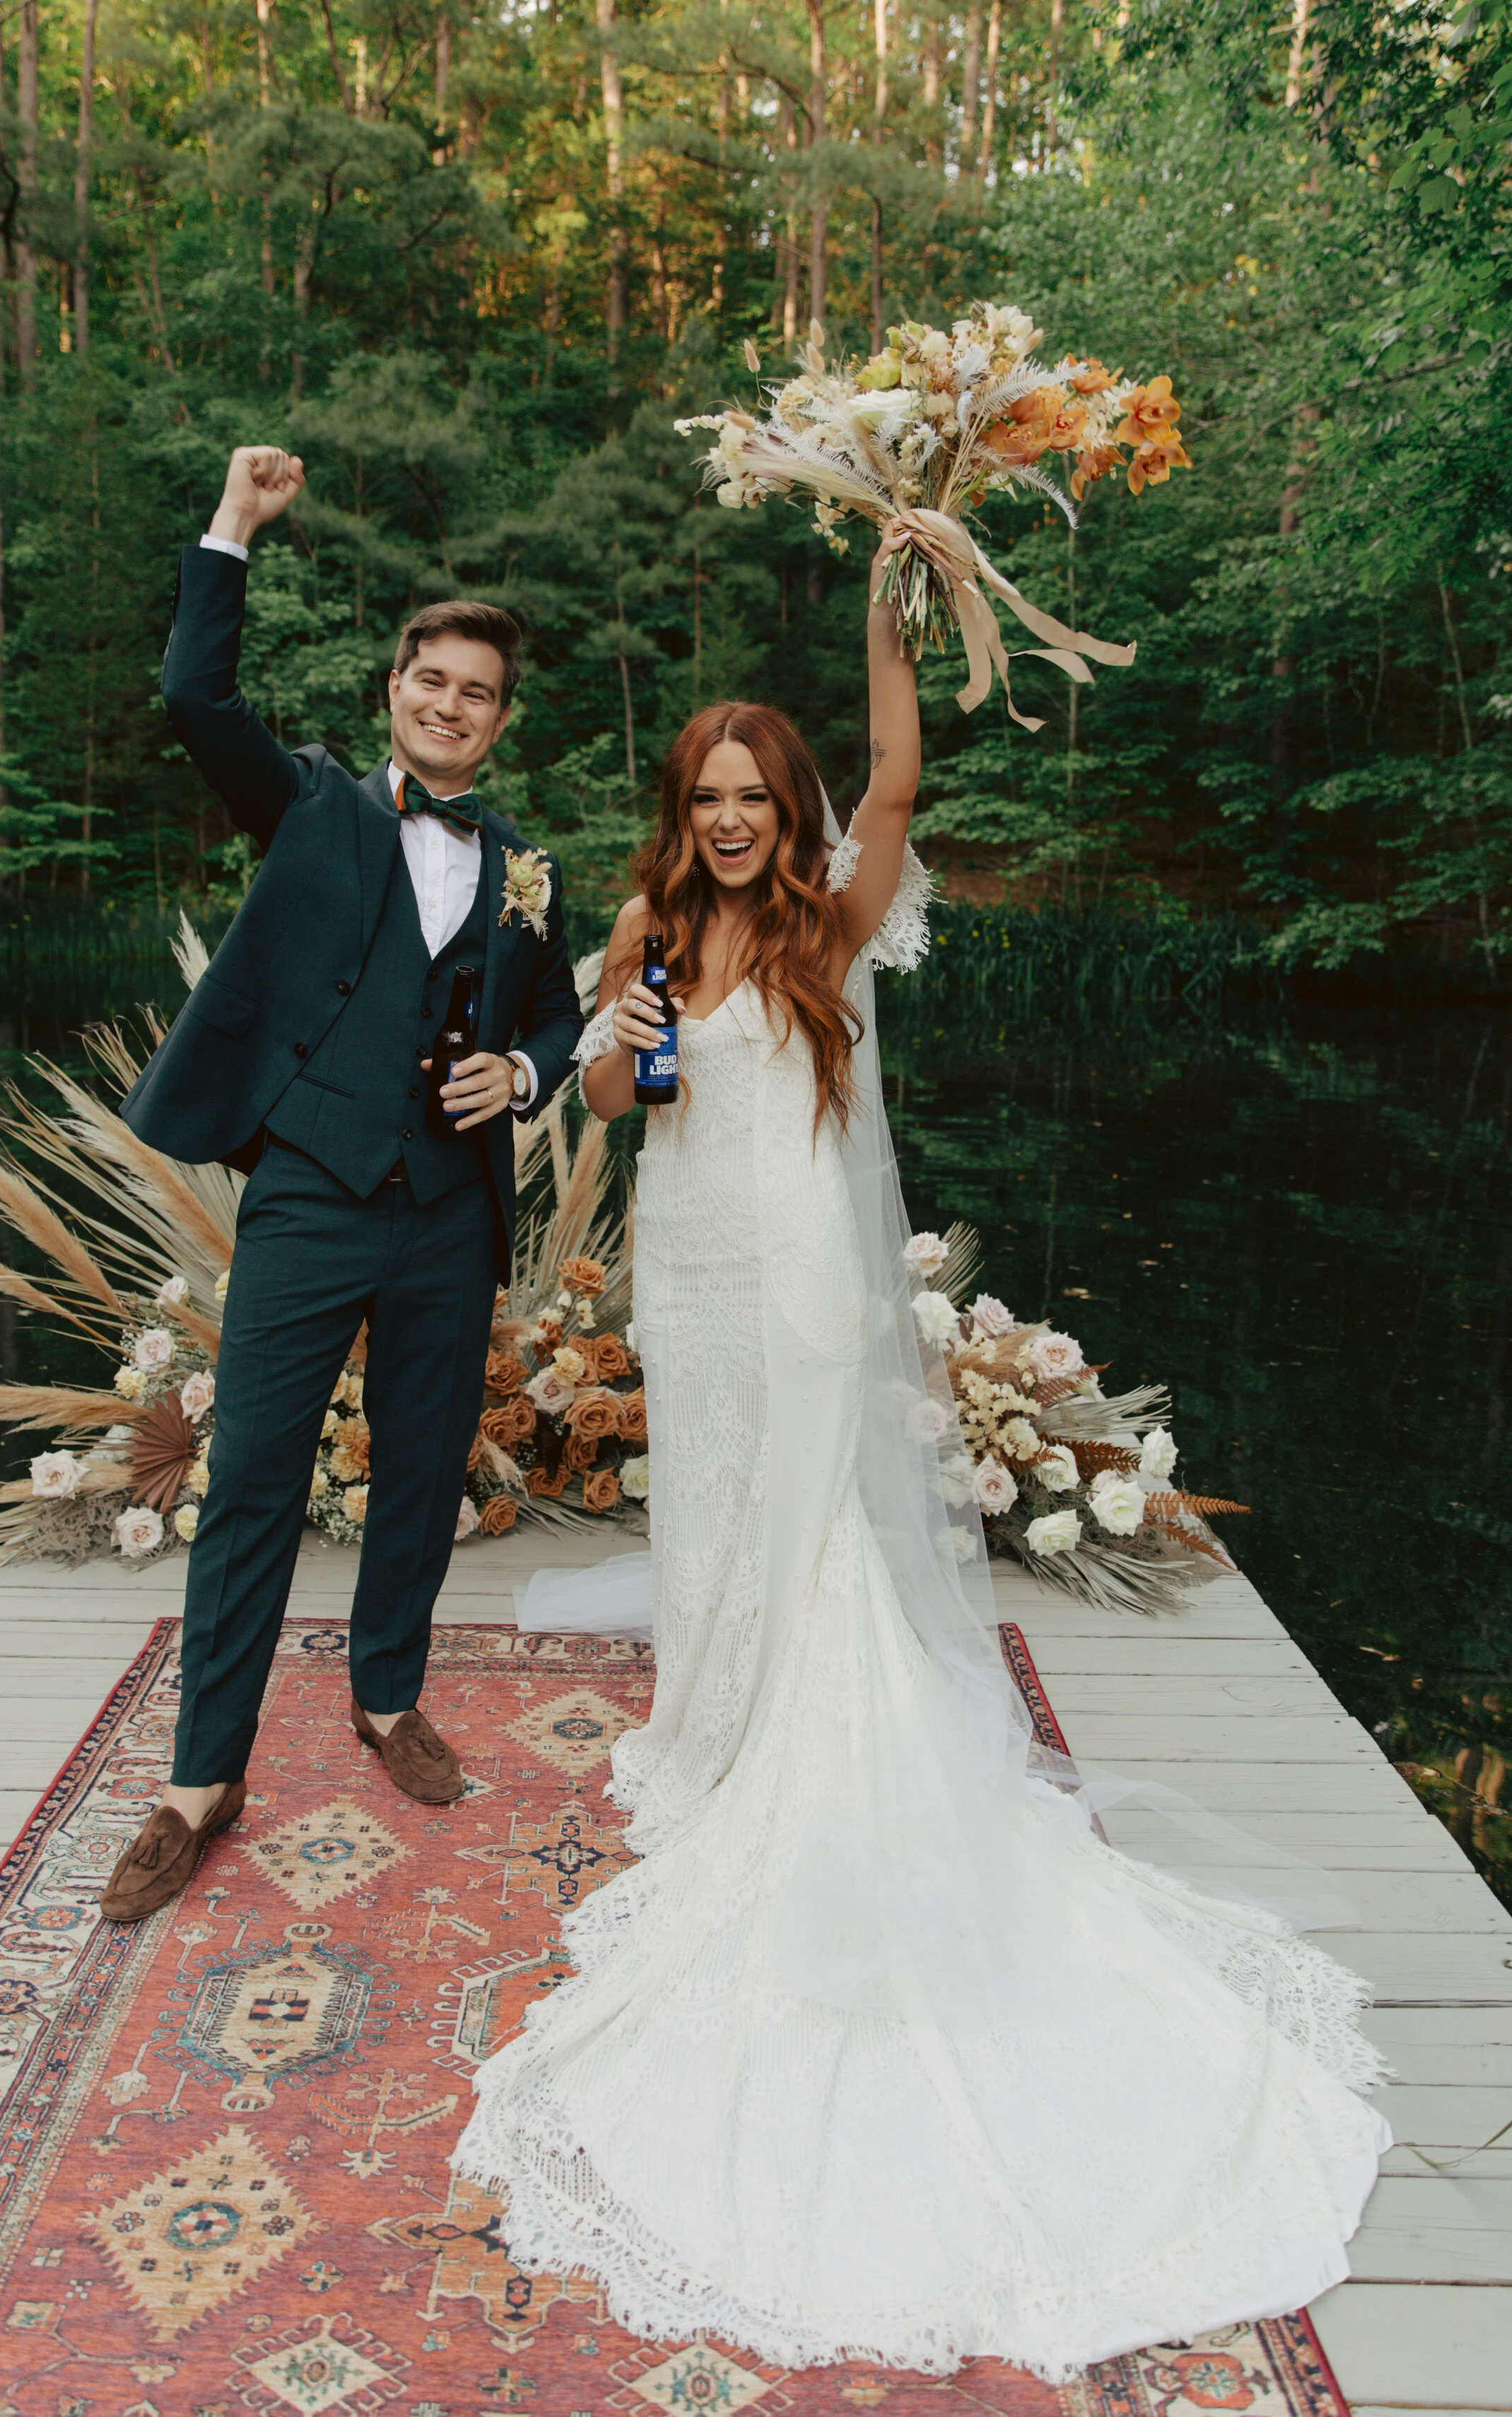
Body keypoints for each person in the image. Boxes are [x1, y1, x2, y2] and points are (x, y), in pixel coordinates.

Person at [451, 525, 1389, 2380]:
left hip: (804, 1277)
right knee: (709, 1506)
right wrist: (622, 1029)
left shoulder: (833, 914)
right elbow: (618, 1105)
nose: (733, 819)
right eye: (708, 796)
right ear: (679, 810)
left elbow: (893, 778)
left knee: (806, 1532)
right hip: (691, 1275)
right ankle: (713, 1721)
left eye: (755, 794)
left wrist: (889, 601)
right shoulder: (646, 928)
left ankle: (791, 1745)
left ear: (783, 805)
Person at [100, 446, 584, 1924]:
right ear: (394, 691)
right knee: (252, 1475)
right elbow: (196, 697)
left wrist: (526, 1077)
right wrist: (233, 526)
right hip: (311, 1192)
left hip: (450, 1211)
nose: (450, 703)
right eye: (430, 679)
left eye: (477, 691)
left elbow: (559, 1016)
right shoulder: (310, 804)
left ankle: (385, 1697)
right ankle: (203, 1779)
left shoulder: (528, 866)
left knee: (422, 1469)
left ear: (500, 719)